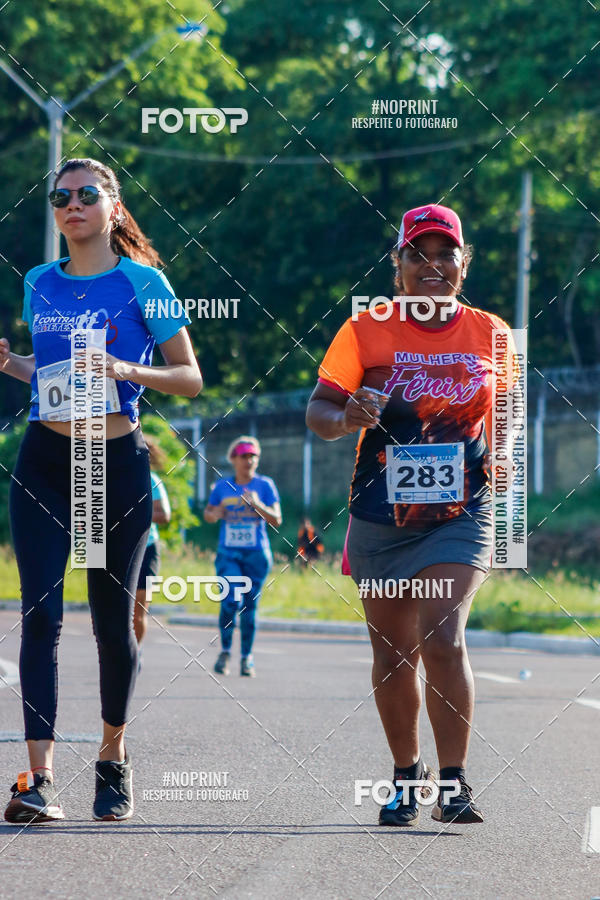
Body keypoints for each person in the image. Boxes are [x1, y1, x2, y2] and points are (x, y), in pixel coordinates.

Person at [1, 157, 202, 824]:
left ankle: (112, 758)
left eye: (88, 194)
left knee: (113, 626)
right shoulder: (39, 282)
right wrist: (11, 364)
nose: (73, 205)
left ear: (113, 208)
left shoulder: (145, 282)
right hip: (46, 460)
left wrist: (122, 366)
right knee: (40, 614)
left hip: (112, 463)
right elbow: (48, 371)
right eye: (61, 196)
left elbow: (189, 377)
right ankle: (37, 778)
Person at [306, 204, 518, 827]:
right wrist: (348, 417)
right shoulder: (365, 331)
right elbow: (319, 412)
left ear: (463, 263)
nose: (432, 266)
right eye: (417, 255)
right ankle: (407, 775)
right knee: (394, 652)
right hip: (380, 517)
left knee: (443, 638)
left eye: (445, 254)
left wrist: (503, 458)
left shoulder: (491, 333)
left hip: (461, 513)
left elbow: (507, 416)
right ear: (396, 266)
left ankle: (454, 782)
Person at [204, 436, 282, 677]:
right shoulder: (221, 487)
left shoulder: (265, 485)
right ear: (233, 459)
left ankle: (247, 658)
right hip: (228, 554)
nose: (249, 460)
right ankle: (225, 651)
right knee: (230, 602)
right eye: (244, 456)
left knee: (249, 608)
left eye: (253, 456)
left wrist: (257, 504)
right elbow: (208, 514)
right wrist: (214, 513)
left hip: (257, 555)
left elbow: (277, 519)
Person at [133, 435, 171, 659]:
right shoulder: (109, 476)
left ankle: (133, 655)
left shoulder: (152, 480)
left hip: (146, 548)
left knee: (138, 613)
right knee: (115, 613)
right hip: (115, 550)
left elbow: (164, 515)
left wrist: (134, 513)